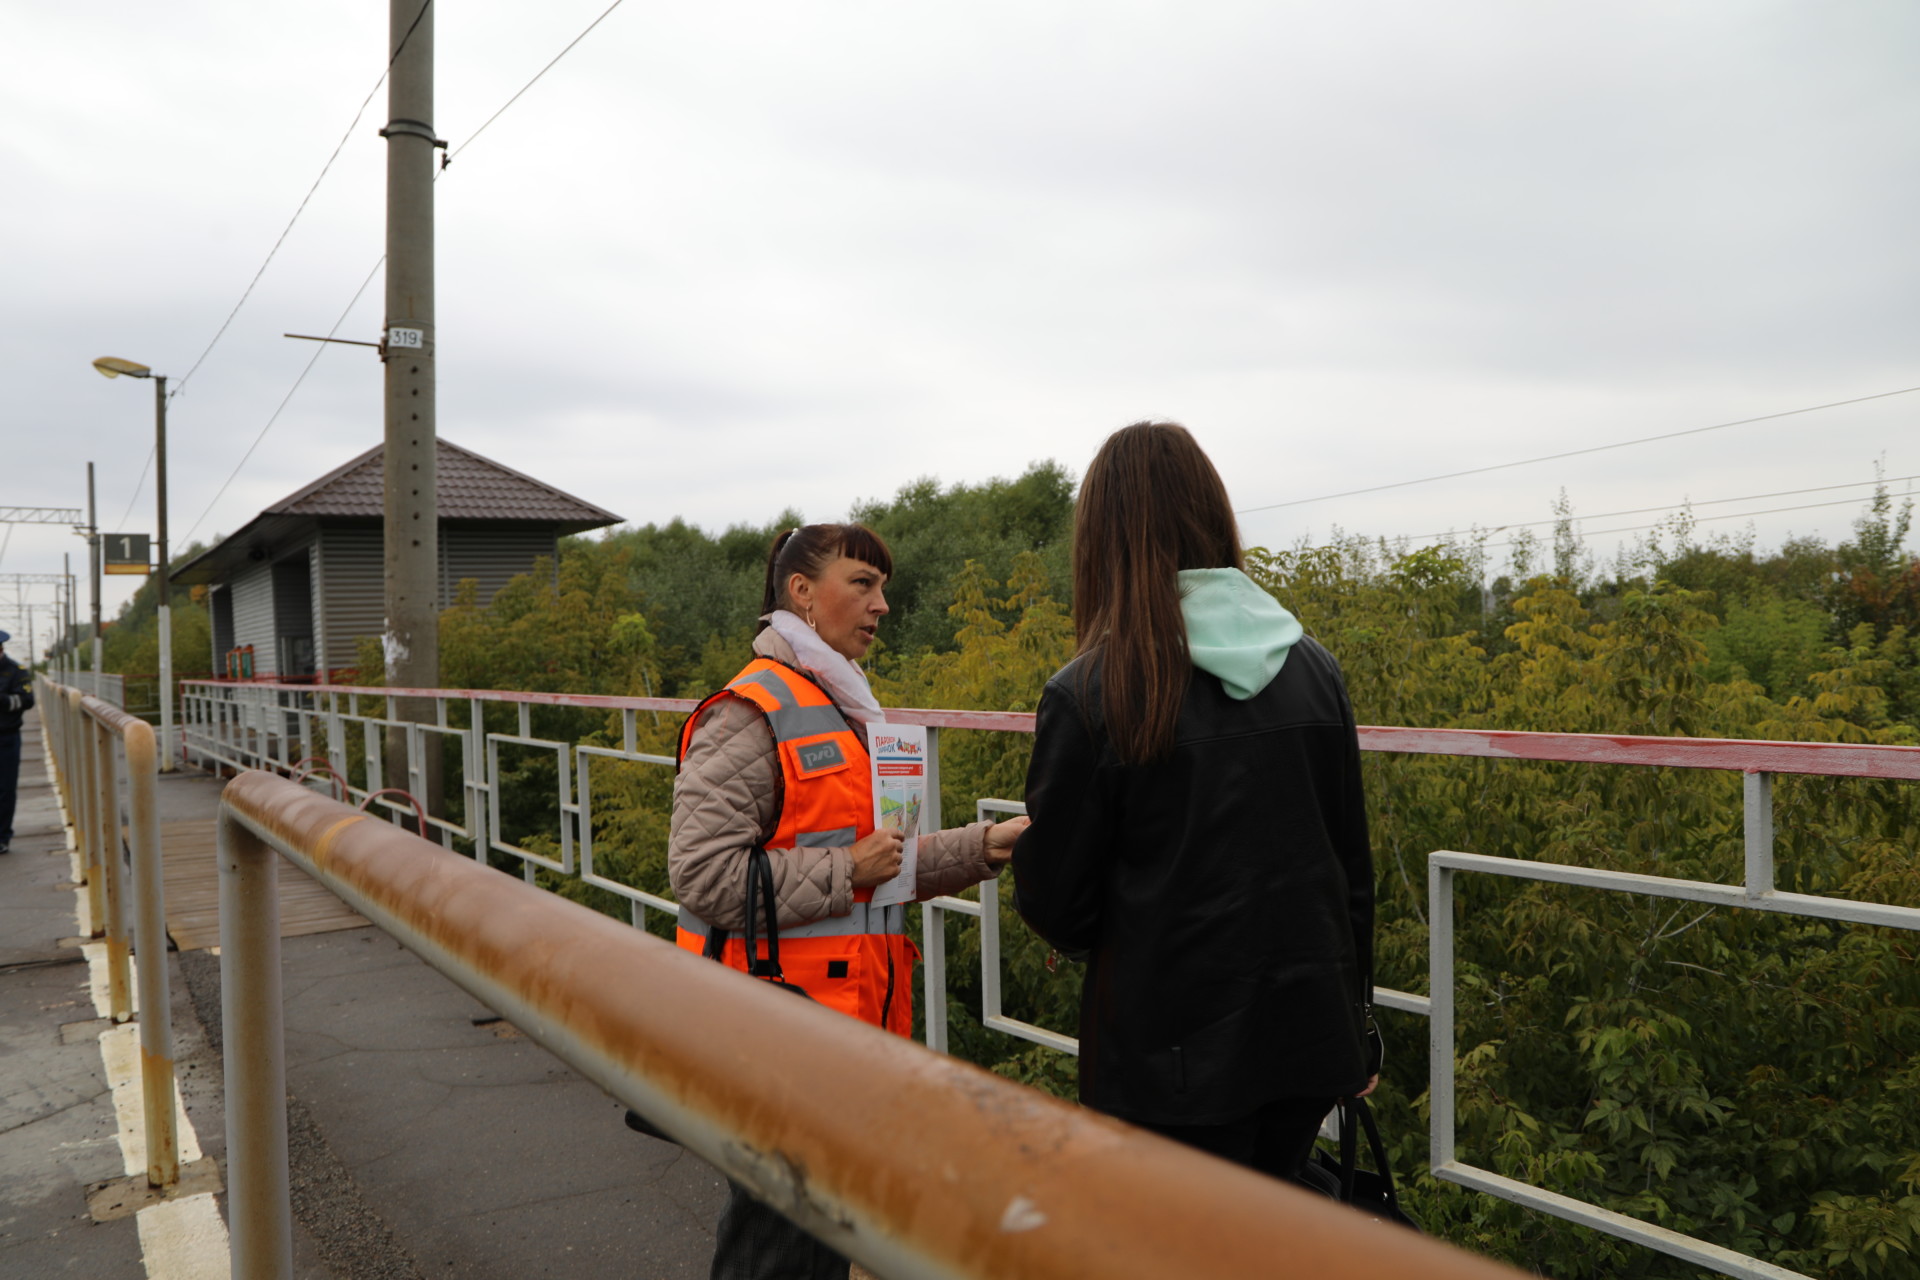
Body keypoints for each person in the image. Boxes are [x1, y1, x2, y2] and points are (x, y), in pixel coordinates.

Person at [1011, 421, 1378, 1185]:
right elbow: (1350, 875)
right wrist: (1358, 1027)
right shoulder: (1315, 669)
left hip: (1165, 1065)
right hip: (1310, 1043)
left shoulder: (1090, 691)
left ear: (1102, 539)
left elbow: (1058, 907)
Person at [669, 522, 1029, 1280]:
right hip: (776, 1032)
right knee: (776, 1251)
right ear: (801, 593)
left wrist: (985, 846)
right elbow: (701, 876)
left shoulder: (845, 708)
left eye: (882, 586)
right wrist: (846, 871)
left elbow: (881, 869)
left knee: (814, 1245)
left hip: (846, 1026)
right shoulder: (748, 711)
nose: (882, 604)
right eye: (861, 583)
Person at [0, 630, 35, 856]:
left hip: (6, 738)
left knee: (4, 790)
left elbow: (27, 700)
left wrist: (1, 701)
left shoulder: (15, 671)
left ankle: (2, 837)